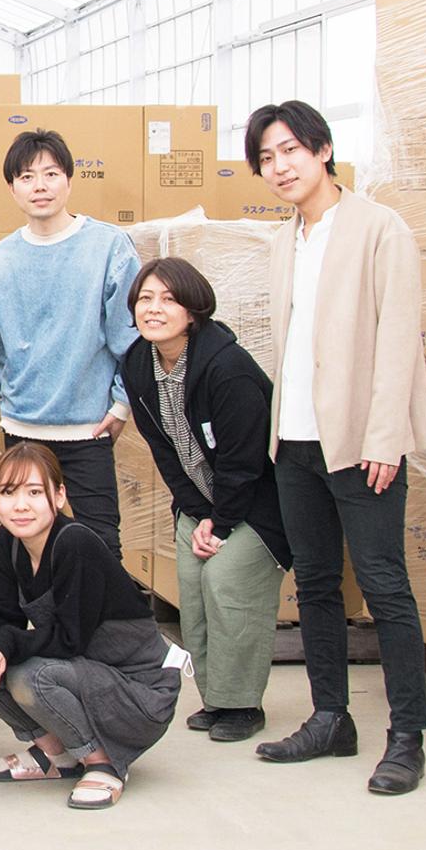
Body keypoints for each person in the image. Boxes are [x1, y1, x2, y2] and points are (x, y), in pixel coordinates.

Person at [246, 101, 426, 795]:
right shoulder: (284, 240)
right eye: (267, 158)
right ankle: (331, 718)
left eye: (290, 150)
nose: (280, 167)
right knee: (316, 584)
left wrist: (385, 436)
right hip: (295, 440)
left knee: (384, 587)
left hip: (360, 441)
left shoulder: (380, 229)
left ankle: (407, 737)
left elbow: (398, 339)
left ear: (323, 150)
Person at [122, 257, 289, 744]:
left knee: (226, 580)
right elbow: (162, 448)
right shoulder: (138, 363)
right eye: (145, 299)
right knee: (193, 588)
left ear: (193, 311)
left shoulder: (226, 368)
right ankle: (217, 698)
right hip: (199, 502)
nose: (153, 309)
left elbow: (244, 463)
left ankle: (243, 704)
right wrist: (197, 513)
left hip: (258, 505)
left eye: (168, 299)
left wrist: (220, 522)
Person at [0, 443, 184, 810]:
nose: (20, 505)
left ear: (59, 496)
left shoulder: (75, 543)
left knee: (31, 677)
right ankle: (56, 751)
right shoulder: (9, 543)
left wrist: (7, 645)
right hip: (87, 674)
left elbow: (69, 640)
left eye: (34, 492)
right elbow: (2, 620)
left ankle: (102, 762)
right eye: (8, 493)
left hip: (138, 693)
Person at [0, 130, 140, 553]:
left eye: (51, 174)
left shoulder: (108, 246)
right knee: (30, 543)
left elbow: (131, 336)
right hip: (22, 426)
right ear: (12, 188)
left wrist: (121, 405)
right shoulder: (2, 257)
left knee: (100, 544)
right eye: (27, 177)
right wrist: (9, 398)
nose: (40, 186)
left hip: (88, 427)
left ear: (69, 180)